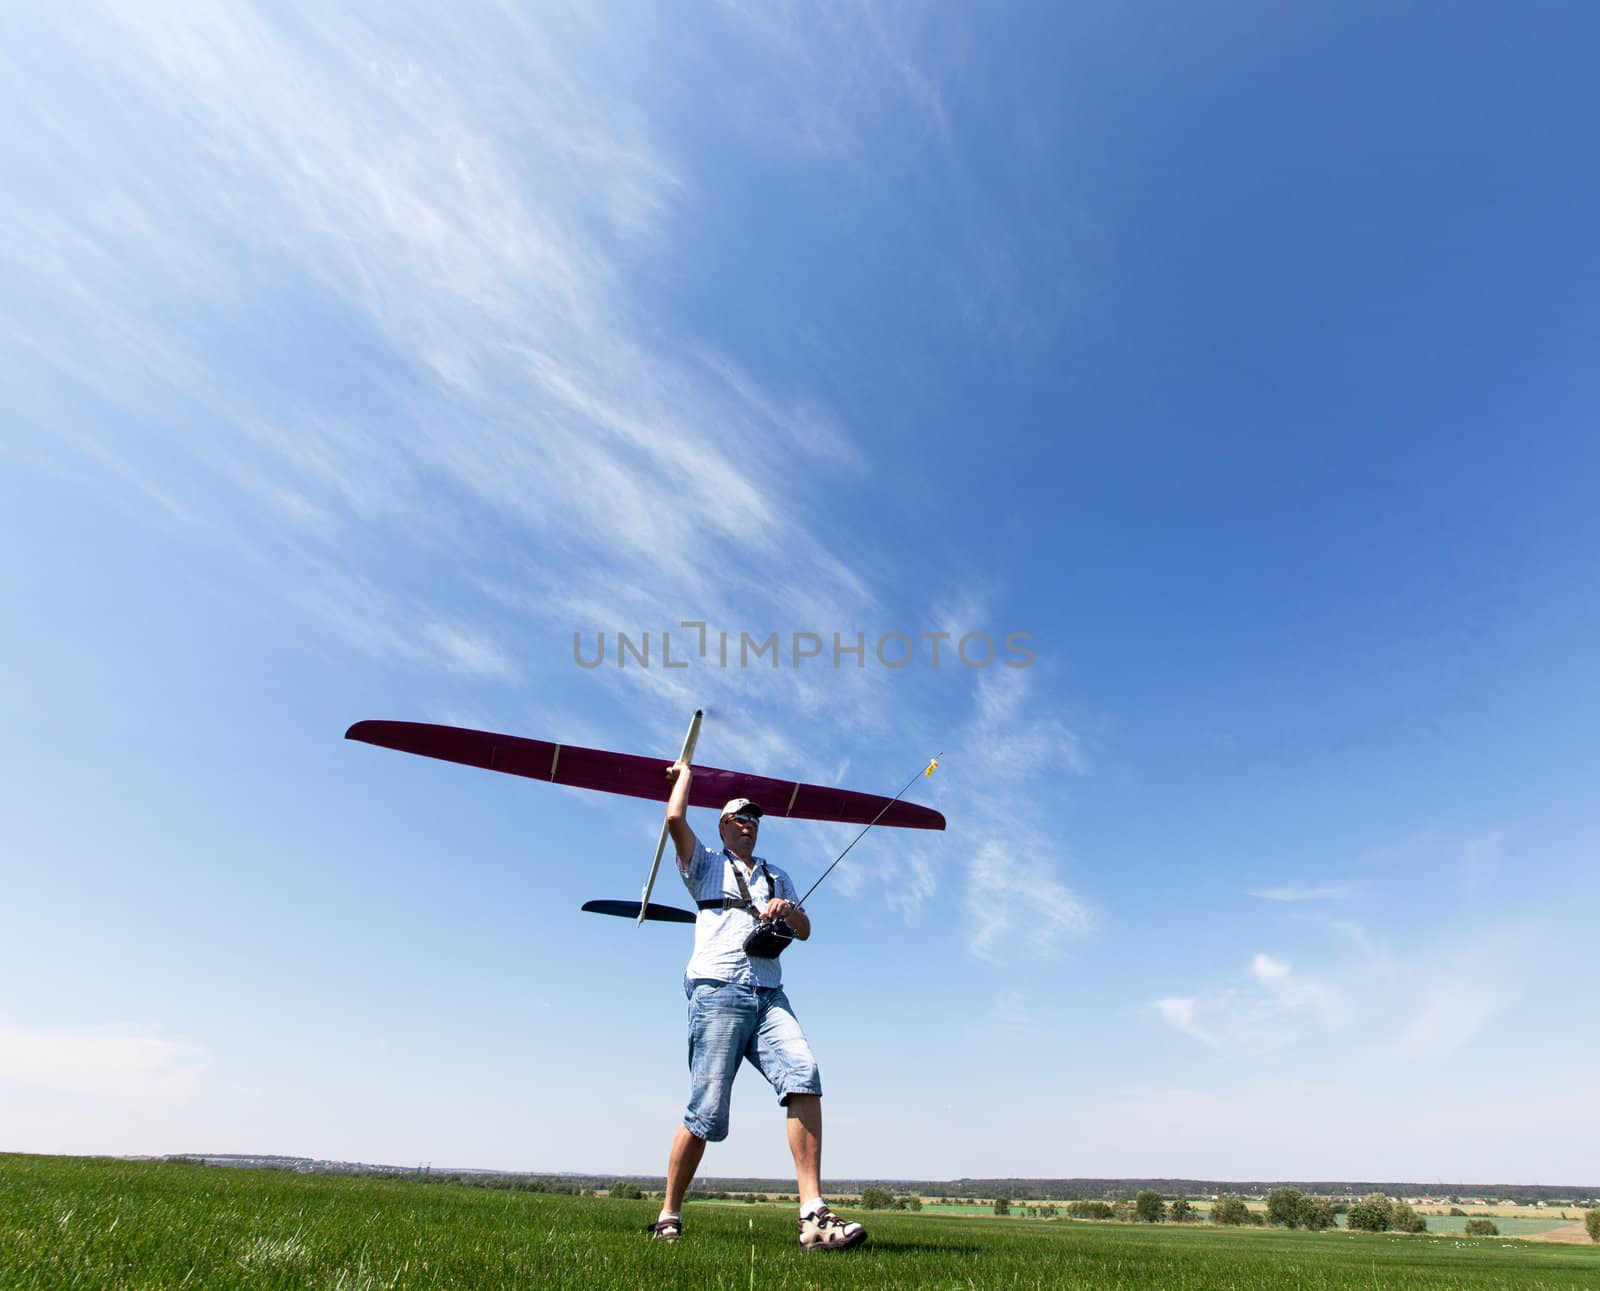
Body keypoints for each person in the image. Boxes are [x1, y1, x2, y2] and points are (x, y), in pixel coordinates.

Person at [647, 758, 867, 1252]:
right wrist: (684, 778)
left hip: (769, 993)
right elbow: (673, 821)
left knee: (803, 1074)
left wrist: (788, 910)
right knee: (707, 1111)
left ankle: (813, 1214)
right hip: (717, 988)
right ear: (724, 825)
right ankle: (668, 1214)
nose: (749, 825)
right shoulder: (703, 863)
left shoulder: (777, 875)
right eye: (740, 818)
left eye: (755, 820)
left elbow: (806, 931)